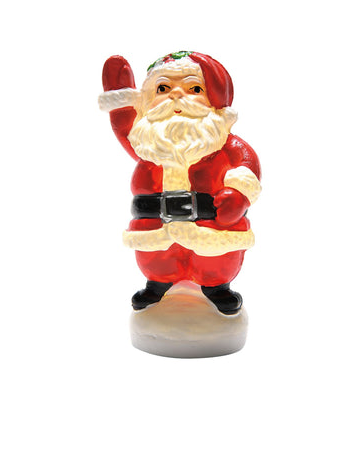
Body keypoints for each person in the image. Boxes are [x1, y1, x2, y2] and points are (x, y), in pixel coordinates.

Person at [99, 51, 261, 314]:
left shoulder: (219, 140)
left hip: (211, 222)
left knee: (214, 258)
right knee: (157, 259)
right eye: (163, 88)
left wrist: (239, 194)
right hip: (155, 222)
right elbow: (124, 126)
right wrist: (120, 97)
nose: (176, 95)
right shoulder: (147, 140)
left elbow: (246, 161)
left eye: (194, 88)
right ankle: (157, 283)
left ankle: (216, 286)